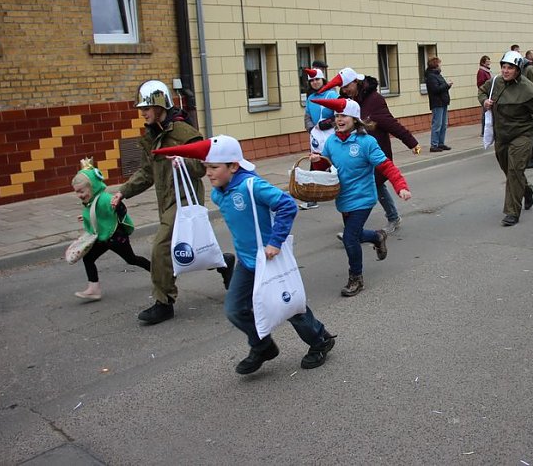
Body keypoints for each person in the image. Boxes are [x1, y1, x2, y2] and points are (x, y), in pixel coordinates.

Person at [152, 136, 336, 374]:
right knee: (235, 310)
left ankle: (321, 340)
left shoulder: (252, 186)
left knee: (288, 307)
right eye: (207, 167)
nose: (208, 173)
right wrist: (182, 163)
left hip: (269, 258)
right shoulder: (220, 192)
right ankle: (263, 347)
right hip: (247, 263)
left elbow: (287, 205)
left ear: (234, 166)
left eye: (214, 168)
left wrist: (275, 242)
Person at [110, 80, 234, 324]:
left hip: (185, 199)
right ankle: (223, 262)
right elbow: (147, 173)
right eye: (141, 108)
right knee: (190, 246)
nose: (142, 112)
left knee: (161, 247)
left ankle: (164, 302)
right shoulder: (152, 136)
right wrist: (123, 192)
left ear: (160, 105)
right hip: (166, 199)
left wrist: (181, 159)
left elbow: (201, 166)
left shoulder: (184, 133)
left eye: (146, 107)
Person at [310, 98, 412, 297]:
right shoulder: (331, 141)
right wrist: (317, 160)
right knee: (355, 235)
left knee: (349, 237)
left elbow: (386, 166)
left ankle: (356, 278)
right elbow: (324, 165)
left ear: (355, 118)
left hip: (363, 198)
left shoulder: (366, 142)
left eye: (344, 116)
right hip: (344, 198)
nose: (339, 120)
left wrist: (401, 187)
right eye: (337, 116)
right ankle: (377, 236)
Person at [478, 50, 533, 226]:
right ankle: (527, 190)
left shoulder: (528, 89)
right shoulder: (495, 82)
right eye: (504, 67)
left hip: (523, 134)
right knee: (509, 170)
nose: (506, 71)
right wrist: (484, 102)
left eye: (510, 68)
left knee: (514, 171)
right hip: (502, 135)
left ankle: (512, 212)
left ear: (518, 70)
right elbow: (482, 91)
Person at [342, 75, 420, 234]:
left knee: (376, 185)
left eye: (347, 86)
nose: (345, 91)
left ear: (356, 83)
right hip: (356, 152)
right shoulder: (350, 100)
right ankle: (353, 226)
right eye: (342, 88)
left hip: (374, 150)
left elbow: (390, 123)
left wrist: (412, 143)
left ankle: (392, 217)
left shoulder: (374, 100)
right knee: (358, 185)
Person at [71, 158, 150, 301]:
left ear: (93, 186)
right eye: (77, 192)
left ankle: (157, 273)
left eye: (81, 191)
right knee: (88, 258)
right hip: (103, 237)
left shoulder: (105, 198)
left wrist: (118, 206)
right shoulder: (92, 200)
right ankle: (93, 289)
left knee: (131, 259)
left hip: (116, 237)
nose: (79, 195)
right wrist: (88, 217)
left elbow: (120, 209)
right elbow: (97, 213)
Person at [301, 67, 338, 210]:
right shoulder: (310, 98)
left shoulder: (332, 95)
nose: (315, 82)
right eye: (312, 80)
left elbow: (339, 114)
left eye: (317, 79)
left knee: (335, 164)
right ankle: (312, 199)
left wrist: (328, 123)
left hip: (331, 135)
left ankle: (341, 191)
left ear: (323, 80)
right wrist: (311, 128)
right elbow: (307, 115)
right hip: (316, 138)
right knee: (314, 166)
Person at [424, 57, 453, 152]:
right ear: (435, 65)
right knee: (437, 124)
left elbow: (441, 88)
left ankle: (441, 143)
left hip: (443, 102)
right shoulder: (431, 76)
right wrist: (447, 85)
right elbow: (435, 89)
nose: (441, 65)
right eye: (439, 63)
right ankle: (434, 145)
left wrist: (447, 86)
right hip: (437, 103)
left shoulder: (438, 75)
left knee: (444, 124)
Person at [477, 56, 492, 136]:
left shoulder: (487, 71)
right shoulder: (482, 72)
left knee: (487, 112)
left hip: (489, 94)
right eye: (487, 60)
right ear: (483, 62)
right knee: (485, 113)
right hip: (485, 94)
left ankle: (486, 130)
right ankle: (483, 131)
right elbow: (480, 84)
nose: (489, 62)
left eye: (489, 60)